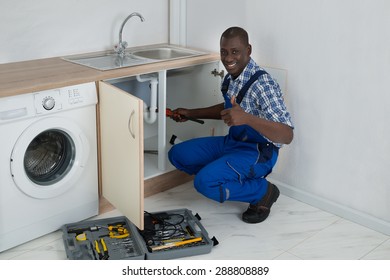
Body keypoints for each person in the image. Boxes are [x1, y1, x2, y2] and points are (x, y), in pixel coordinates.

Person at [168, 26, 294, 224]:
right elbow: (228, 110)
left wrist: (247, 118)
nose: (228, 58)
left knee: (204, 182)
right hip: (232, 143)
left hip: (259, 153)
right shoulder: (230, 78)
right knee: (177, 155)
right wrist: (191, 113)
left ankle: (262, 192)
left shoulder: (263, 85)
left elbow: (287, 134)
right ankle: (225, 172)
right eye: (224, 52)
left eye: (235, 52)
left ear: (248, 50)